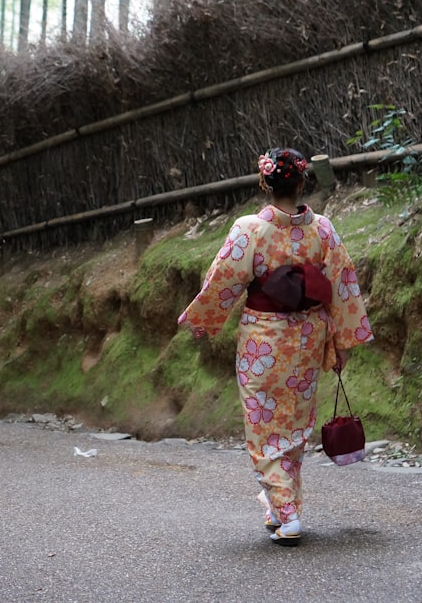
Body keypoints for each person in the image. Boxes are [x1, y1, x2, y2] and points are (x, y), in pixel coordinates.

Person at [177, 147, 373, 546]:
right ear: (302, 183)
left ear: (264, 182)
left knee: (264, 427)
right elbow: (343, 285)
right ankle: (281, 505)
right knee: (294, 425)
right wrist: (343, 339)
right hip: (308, 338)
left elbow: (223, 280)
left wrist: (201, 320)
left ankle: (288, 517)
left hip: (264, 339)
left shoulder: (250, 229)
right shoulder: (323, 230)